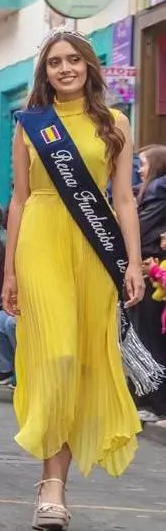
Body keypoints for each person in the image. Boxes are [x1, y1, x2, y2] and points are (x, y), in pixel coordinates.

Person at [4, 28, 148, 529]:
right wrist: (8, 271)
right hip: (41, 239)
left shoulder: (115, 123)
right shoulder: (30, 124)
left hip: (95, 245)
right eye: (54, 63)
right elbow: (19, 200)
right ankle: (50, 481)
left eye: (73, 61)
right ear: (44, 72)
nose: (64, 69)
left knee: (83, 359)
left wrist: (132, 261)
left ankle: (55, 487)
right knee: (58, 354)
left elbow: (125, 200)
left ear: (89, 66)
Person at [134, 145, 166, 421]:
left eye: (142, 163)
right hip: (150, 271)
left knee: (148, 339)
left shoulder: (156, 190)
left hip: (151, 272)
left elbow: (140, 229)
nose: (139, 169)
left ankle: (154, 402)